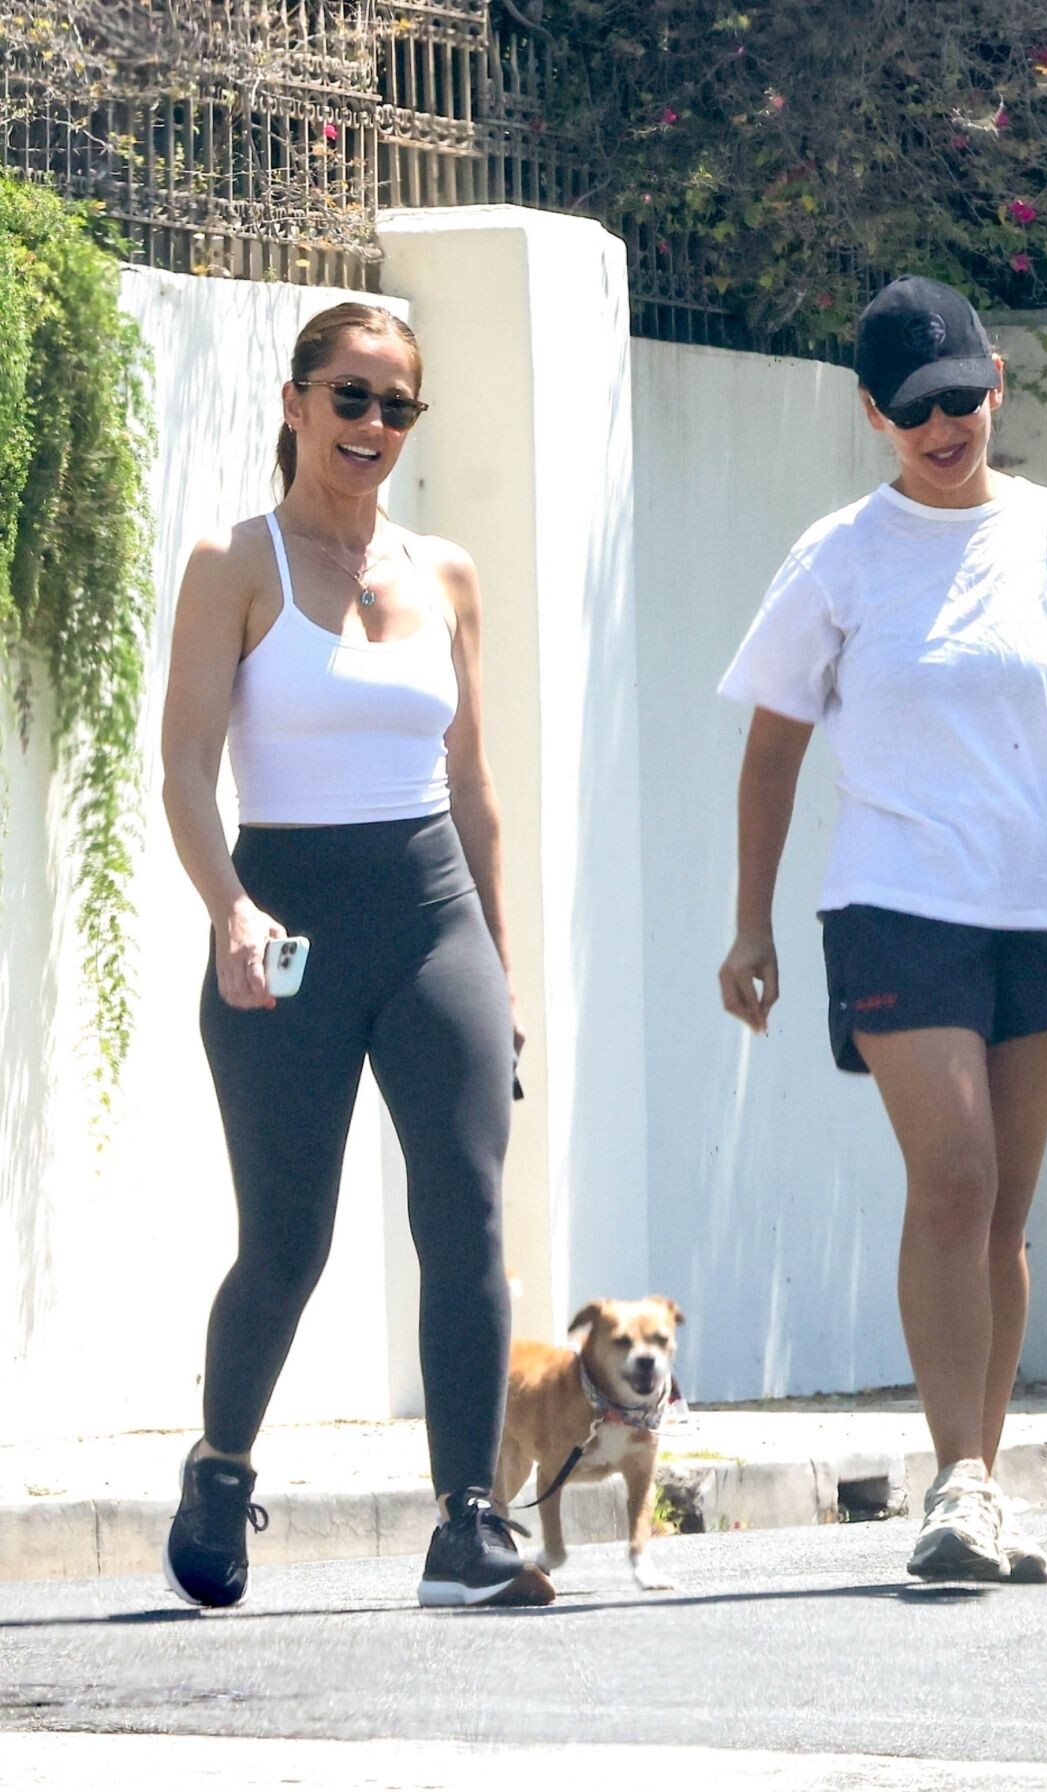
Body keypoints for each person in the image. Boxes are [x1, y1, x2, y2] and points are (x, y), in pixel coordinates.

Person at [717, 275, 1047, 1584]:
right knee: (955, 1178)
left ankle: (980, 1483)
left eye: (960, 398)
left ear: (994, 383)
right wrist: (751, 924)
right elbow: (772, 751)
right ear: (873, 414)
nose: (944, 427)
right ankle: (957, 1480)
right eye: (914, 409)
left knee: (1002, 1211)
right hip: (898, 905)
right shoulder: (840, 555)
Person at [159, 302, 552, 1610]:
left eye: (398, 405)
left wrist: (499, 965)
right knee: (288, 1240)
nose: (374, 424)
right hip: (286, 925)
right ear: (295, 403)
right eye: (351, 396)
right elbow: (184, 768)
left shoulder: (446, 574)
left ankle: (469, 1520)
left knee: (467, 1211)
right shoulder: (235, 562)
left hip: (433, 916)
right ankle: (221, 1467)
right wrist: (229, 909)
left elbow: (474, 785)